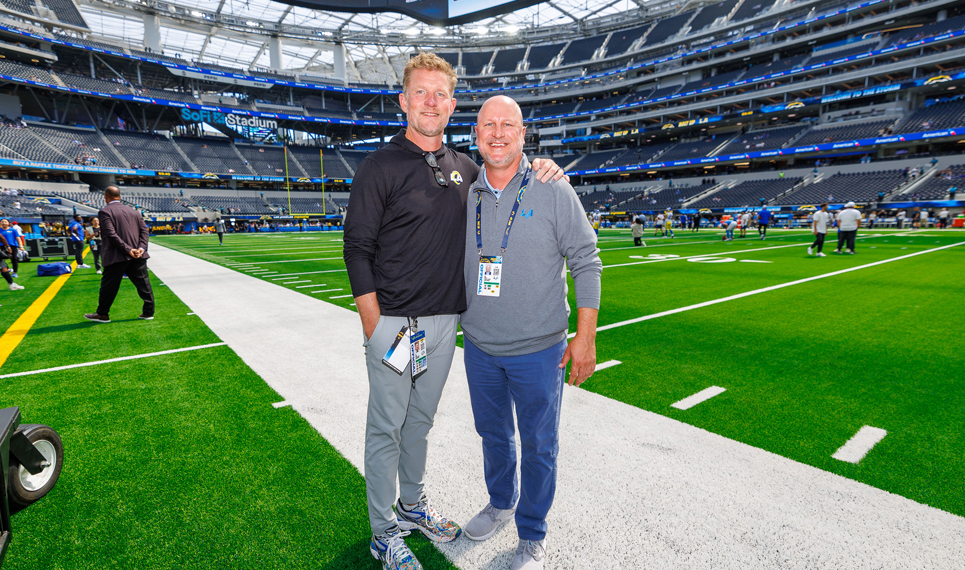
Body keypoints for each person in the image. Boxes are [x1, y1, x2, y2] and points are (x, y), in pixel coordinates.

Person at [342, 52, 564, 570]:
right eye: (421, 92)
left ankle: (413, 505)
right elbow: (356, 249)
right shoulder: (380, 166)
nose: (431, 102)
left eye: (440, 94)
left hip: (444, 326)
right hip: (396, 325)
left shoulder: (465, 168)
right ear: (403, 101)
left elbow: (509, 176)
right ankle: (382, 532)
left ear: (452, 103)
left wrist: (542, 165)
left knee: (419, 422)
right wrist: (375, 327)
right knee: (387, 426)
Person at [460, 95, 601, 570]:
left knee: (540, 444)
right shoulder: (463, 192)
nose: (498, 134)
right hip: (479, 346)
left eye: (508, 125)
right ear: (476, 135)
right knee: (492, 435)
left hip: (540, 350)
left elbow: (586, 260)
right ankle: (502, 504)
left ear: (523, 135)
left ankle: (532, 532)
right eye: (488, 126)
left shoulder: (552, 187)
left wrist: (586, 337)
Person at [84, 186, 155, 323]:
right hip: (138, 254)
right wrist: (141, 248)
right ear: (120, 196)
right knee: (144, 284)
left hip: (116, 256)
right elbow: (144, 231)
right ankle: (148, 312)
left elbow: (111, 234)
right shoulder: (134, 211)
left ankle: (103, 314)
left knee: (108, 287)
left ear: (105, 196)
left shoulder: (105, 212)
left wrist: (128, 249)